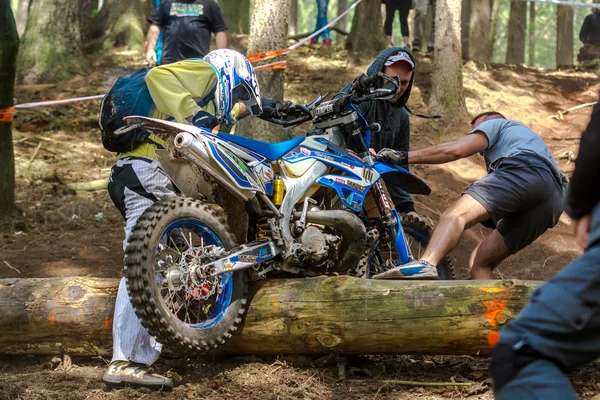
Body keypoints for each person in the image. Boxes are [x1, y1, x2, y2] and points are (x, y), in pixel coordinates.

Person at [100, 49, 280, 390]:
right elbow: (158, 78)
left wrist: (266, 107)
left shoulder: (204, 93)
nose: (236, 103)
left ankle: (149, 346)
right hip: (145, 171)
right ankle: (127, 361)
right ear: (230, 73)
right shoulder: (207, 73)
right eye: (240, 91)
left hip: (135, 174)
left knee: (169, 259)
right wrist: (193, 111)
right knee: (146, 265)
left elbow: (223, 120)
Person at [490, 100, 600, 400]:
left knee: (519, 351)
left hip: (538, 184)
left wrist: (580, 205)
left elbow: (595, 142)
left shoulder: (494, 125)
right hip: (544, 189)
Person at [374, 111, 567, 280]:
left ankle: (427, 264)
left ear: (488, 122)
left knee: (455, 215)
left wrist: (403, 157)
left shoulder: (496, 124)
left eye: (475, 131)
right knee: (481, 264)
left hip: (526, 170)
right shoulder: (525, 141)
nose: (480, 152)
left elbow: (455, 150)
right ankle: (494, 315)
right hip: (554, 201)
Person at [343, 47, 419, 217]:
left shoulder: (402, 117)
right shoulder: (357, 95)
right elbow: (329, 132)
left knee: (383, 232)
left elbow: (398, 164)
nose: (398, 88)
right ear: (379, 74)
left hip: (366, 183)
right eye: (392, 80)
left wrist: (408, 209)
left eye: (405, 83)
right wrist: (359, 151)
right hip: (335, 176)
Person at [145, 0, 228, 66]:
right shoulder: (167, 3)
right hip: (170, 63)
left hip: (199, 63)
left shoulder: (210, 4)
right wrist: (150, 49)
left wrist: (219, 56)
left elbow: (220, 31)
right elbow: (155, 26)